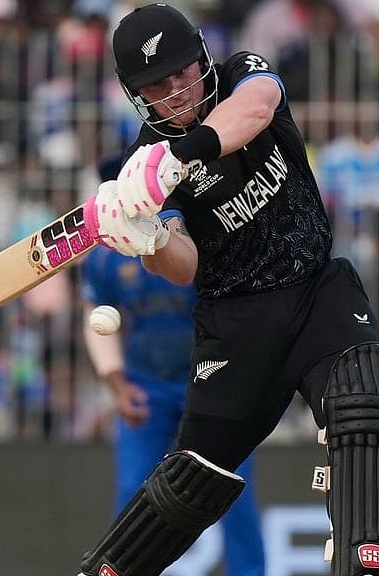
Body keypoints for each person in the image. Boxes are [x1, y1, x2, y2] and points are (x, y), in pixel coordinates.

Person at [77, 4, 379, 576]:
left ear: (202, 57)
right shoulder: (141, 165)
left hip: (316, 291)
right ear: (137, 96)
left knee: (365, 405)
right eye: (158, 87)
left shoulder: (239, 74)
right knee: (192, 481)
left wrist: (178, 158)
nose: (177, 93)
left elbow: (256, 109)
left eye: (182, 73)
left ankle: (366, 566)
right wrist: (147, 235)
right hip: (237, 327)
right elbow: (182, 267)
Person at [81, 183, 265, 575]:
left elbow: (237, 315)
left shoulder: (202, 237)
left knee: (232, 492)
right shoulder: (105, 258)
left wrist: (236, 381)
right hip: (145, 386)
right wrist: (117, 384)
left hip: (213, 384)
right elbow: (96, 319)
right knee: (133, 492)